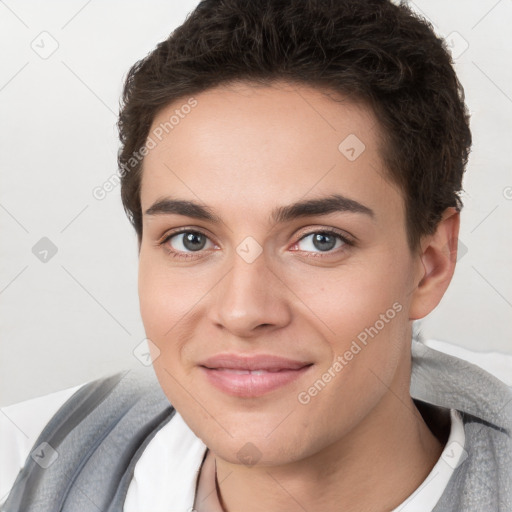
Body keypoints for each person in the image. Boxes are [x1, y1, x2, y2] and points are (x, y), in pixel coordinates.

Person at [1, 0, 511, 511]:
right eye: (191, 239)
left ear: (430, 264)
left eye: (320, 240)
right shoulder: (24, 466)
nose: (243, 312)